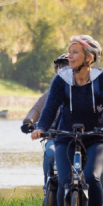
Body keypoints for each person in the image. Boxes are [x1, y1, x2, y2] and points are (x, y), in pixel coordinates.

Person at [32, 35, 103, 206]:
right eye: (69, 51)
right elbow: (50, 108)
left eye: (75, 52)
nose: (70, 56)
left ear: (89, 57)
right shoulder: (62, 79)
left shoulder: (102, 78)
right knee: (65, 180)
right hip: (66, 137)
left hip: (97, 137)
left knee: (92, 177)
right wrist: (41, 128)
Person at [22, 54, 70, 187]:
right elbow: (37, 109)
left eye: (66, 64)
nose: (62, 68)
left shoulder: (81, 89)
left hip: (76, 136)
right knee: (51, 153)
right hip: (54, 135)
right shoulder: (52, 92)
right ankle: (48, 187)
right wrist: (28, 122)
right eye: (60, 66)